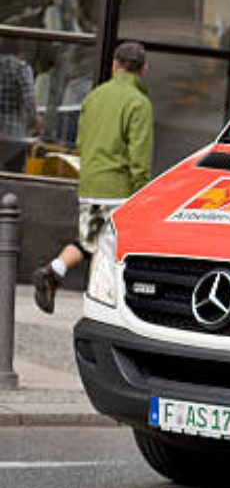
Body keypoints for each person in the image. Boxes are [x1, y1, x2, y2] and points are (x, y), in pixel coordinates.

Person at [32, 42, 154, 314]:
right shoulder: (139, 103)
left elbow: (80, 143)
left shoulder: (93, 98)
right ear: (144, 69)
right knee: (110, 252)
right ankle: (102, 309)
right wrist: (141, 196)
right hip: (119, 190)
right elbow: (139, 157)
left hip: (90, 184)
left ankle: (55, 270)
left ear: (114, 65)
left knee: (89, 242)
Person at [0, 52, 42, 172]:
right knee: (12, 177)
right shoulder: (20, 68)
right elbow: (29, 100)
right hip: (13, 136)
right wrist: (36, 120)